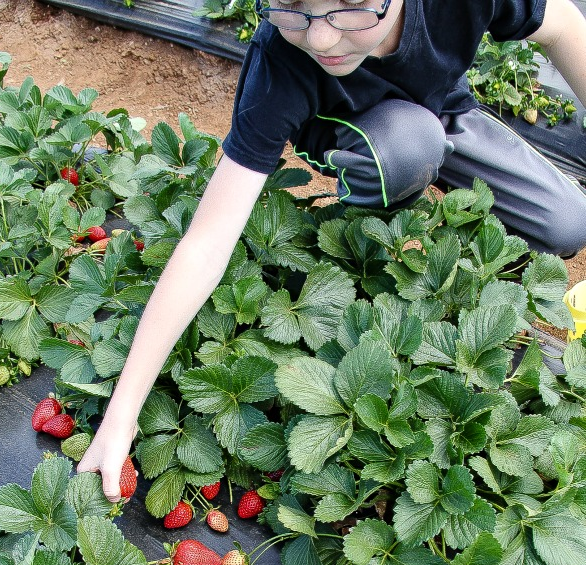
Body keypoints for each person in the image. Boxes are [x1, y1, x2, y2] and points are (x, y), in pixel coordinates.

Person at [78, 0, 586, 500]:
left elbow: (562, 24)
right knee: (409, 147)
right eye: (292, 5)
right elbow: (207, 243)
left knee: (570, 222)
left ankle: (468, 252)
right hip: (360, 136)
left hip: (445, 111)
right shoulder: (282, 61)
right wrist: (121, 414)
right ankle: (371, 235)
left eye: (352, 4)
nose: (320, 37)